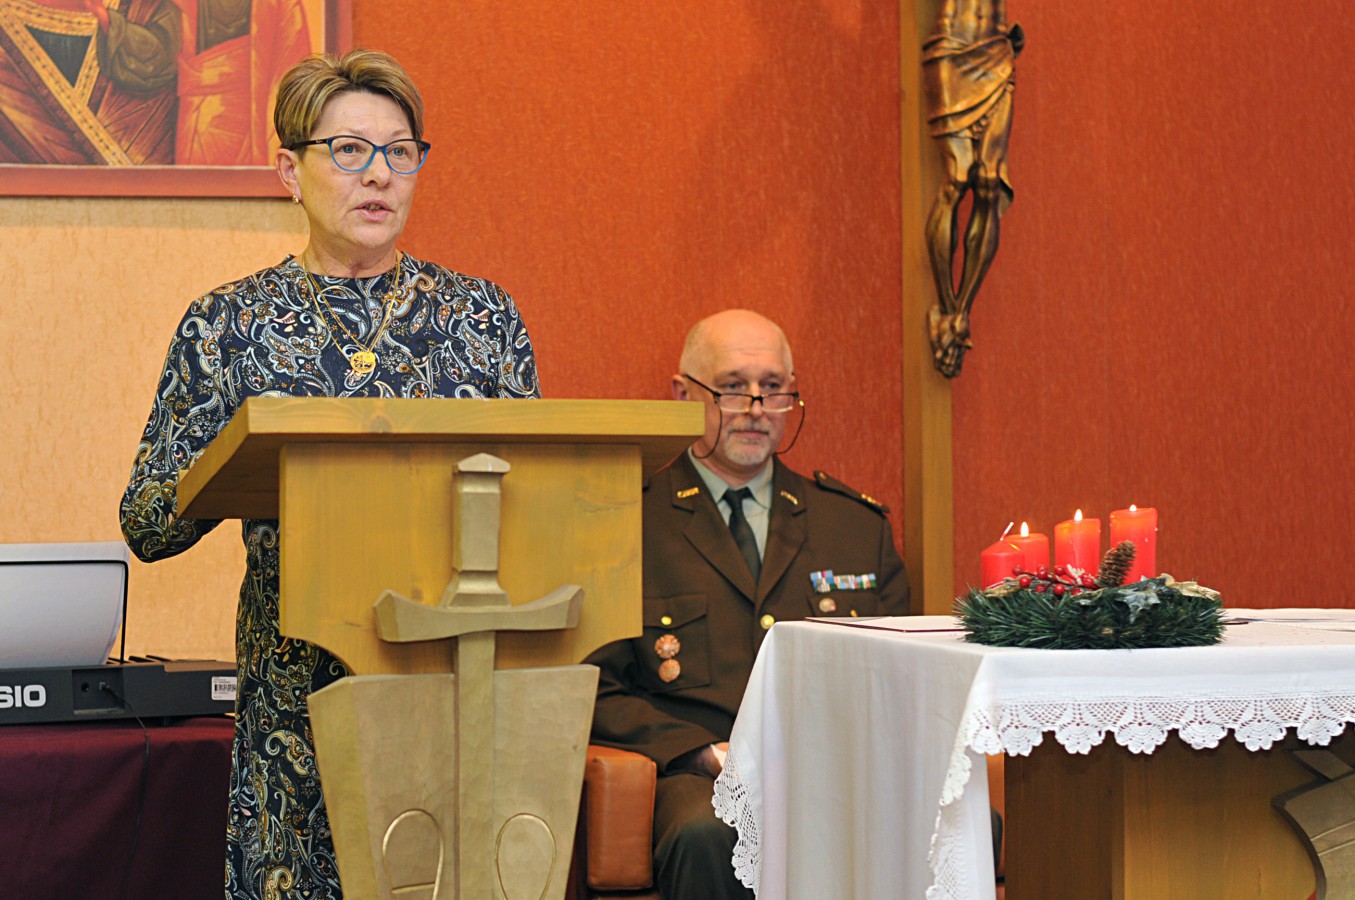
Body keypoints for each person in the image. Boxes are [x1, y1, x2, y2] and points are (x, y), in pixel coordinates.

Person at [119, 49, 538, 900]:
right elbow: (149, 525)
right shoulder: (228, 325)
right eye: (349, 150)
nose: (378, 174)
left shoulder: (484, 318)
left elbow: (534, 506)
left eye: (399, 152)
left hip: (452, 695)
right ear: (289, 171)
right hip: (294, 707)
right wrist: (241, 453)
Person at [585, 309, 911, 899]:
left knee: (943, 819)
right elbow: (592, 684)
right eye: (733, 387)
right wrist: (699, 752)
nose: (756, 408)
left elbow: (901, 674)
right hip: (700, 771)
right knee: (706, 834)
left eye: (773, 388)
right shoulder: (626, 523)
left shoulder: (854, 527)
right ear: (684, 395)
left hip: (835, 766)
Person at [922, 0, 1024, 377]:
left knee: (988, 182)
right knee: (957, 177)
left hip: (996, 49)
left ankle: (960, 313)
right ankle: (947, 305)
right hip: (952, 45)